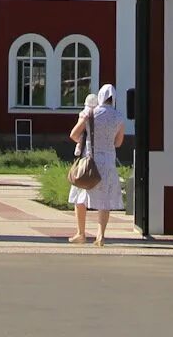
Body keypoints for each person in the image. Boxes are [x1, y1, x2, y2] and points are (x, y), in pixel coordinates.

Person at [68, 84, 127, 246]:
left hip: (89, 161)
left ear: (100, 96)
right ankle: (100, 236)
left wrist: (85, 140)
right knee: (105, 200)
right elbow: (119, 142)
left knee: (80, 198)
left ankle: (81, 233)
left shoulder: (90, 113)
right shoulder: (119, 117)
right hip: (108, 162)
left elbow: (74, 134)